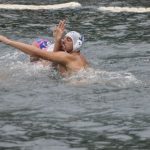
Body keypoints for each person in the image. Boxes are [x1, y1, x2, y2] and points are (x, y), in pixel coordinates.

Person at [0, 20, 89, 77]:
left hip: (76, 86)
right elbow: (54, 60)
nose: (63, 41)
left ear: (77, 45)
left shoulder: (67, 56)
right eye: (64, 38)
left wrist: (7, 41)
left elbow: (36, 53)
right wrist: (57, 40)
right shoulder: (79, 57)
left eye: (68, 40)